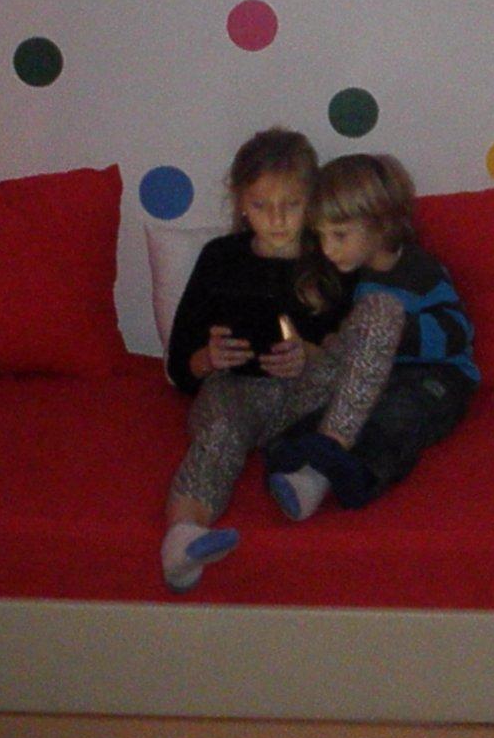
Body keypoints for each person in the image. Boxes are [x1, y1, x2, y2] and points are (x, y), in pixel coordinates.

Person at [160, 128, 405, 592]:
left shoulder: (331, 255)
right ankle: (184, 535)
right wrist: (209, 358)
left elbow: (354, 355)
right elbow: (179, 365)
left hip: (307, 401)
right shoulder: (220, 258)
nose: (276, 220)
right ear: (240, 203)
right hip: (235, 392)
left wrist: (308, 356)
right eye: (260, 206)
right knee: (219, 433)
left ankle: (320, 461)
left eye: (291, 205)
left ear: (311, 201)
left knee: (382, 312)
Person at [266, 153, 477, 521]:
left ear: (380, 223)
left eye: (339, 235)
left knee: (396, 416)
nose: (328, 249)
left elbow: (458, 333)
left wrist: (394, 334)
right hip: (384, 375)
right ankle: (303, 459)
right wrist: (339, 346)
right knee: (332, 405)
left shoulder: (420, 271)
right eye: (321, 235)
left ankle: (357, 475)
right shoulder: (360, 278)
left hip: (439, 376)